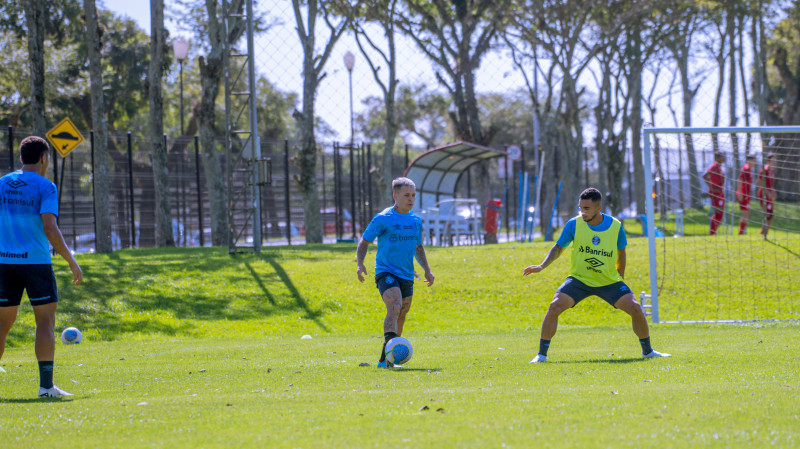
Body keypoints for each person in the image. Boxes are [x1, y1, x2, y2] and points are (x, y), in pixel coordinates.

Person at [523, 188, 669, 363]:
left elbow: (621, 252)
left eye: (587, 208)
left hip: (608, 281)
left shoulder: (616, 226)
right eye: (581, 208)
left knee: (636, 308)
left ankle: (648, 351)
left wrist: (620, 276)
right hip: (579, 280)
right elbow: (558, 248)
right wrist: (541, 266)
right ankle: (541, 355)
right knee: (554, 306)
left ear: (598, 208)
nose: (583, 212)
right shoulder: (573, 224)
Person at [0, 136, 83, 397]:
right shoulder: (46, 186)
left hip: (3, 263)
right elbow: (50, 228)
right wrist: (71, 260)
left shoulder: (1, 183)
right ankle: (46, 388)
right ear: (44, 158)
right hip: (35, 262)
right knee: (45, 322)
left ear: (21, 157)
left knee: (2, 324)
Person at [356, 177, 434, 368]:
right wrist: (360, 264)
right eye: (406, 195)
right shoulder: (383, 218)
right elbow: (364, 242)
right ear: (395, 196)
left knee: (402, 312)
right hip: (386, 271)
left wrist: (427, 271)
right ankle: (390, 355)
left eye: (413, 195)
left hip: (407, 274)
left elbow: (418, 247)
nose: (411, 199)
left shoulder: (415, 220)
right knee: (395, 305)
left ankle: (386, 360)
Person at [702, 151, 726, 235]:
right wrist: (711, 188)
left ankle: (713, 232)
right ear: (718, 158)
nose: (724, 157)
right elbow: (704, 176)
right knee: (718, 213)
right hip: (715, 193)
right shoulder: (715, 166)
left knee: (720, 213)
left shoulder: (720, 167)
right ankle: (712, 233)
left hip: (719, 192)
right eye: (723, 156)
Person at [756, 153, 777, 237]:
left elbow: (770, 185)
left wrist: (773, 192)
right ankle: (763, 233)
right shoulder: (764, 170)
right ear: (769, 160)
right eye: (773, 159)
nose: (775, 161)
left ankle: (764, 232)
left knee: (771, 214)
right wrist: (767, 192)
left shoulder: (772, 170)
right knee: (768, 214)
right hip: (763, 194)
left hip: (769, 194)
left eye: (776, 159)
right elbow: (758, 183)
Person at [735, 154, 757, 235]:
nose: (755, 162)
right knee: (746, 212)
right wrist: (740, 193)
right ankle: (741, 233)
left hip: (746, 194)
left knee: (747, 212)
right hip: (743, 194)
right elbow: (739, 180)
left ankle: (741, 232)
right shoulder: (746, 168)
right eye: (754, 160)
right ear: (749, 160)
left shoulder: (749, 169)